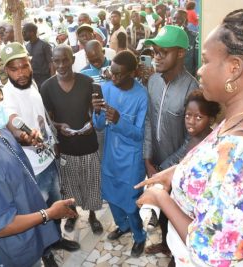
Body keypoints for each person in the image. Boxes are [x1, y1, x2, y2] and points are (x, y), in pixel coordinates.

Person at [136, 8, 243, 267]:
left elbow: (210, 253)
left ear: (234, 68)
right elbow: (215, 167)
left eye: (207, 61)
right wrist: (177, 171)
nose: (199, 70)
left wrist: (161, 198)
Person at [0, 77, 77, 267]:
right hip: (20, 250)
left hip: (33, 232)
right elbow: (0, 227)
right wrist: (49, 214)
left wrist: (25, 140)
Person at [0, 42, 80, 264]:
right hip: (32, 171)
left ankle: (56, 239)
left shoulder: (31, 84)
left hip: (48, 162)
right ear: (6, 70)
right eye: (14, 69)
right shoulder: (6, 97)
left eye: (24, 66)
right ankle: (46, 253)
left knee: (55, 207)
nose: (21, 73)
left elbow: (40, 117)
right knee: (39, 215)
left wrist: (53, 139)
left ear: (30, 63)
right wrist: (22, 136)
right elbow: (13, 124)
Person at [143, 25, 199, 257]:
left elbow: (193, 138)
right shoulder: (153, 81)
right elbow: (148, 119)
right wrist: (147, 158)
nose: (156, 56)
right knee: (163, 208)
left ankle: (177, 253)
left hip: (177, 167)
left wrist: (164, 168)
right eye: (154, 51)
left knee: (178, 208)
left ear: (181, 53)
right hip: (153, 161)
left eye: (163, 52)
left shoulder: (192, 88)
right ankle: (166, 245)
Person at [41, 45, 104, 235]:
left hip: (88, 144)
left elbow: (97, 112)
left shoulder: (88, 83)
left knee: (91, 183)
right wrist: (60, 127)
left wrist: (91, 123)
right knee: (68, 185)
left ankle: (93, 216)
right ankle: (72, 214)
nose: (61, 65)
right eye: (56, 61)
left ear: (73, 60)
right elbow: (47, 118)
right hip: (65, 146)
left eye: (65, 60)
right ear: (52, 62)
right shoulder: (47, 87)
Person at [92, 50, 148, 257]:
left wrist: (118, 120)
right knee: (113, 198)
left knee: (130, 202)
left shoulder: (142, 96)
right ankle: (122, 226)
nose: (113, 78)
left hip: (131, 160)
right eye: (111, 72)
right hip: (110, 155)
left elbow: (139, 134)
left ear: (132, 73)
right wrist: (96, 112)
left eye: (119, 74)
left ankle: (139, 235)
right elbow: (98, 126)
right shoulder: (106, 88)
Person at [22, 23, 55, 88]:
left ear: (32, 32)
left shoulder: (44, 45)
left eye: (25, 32)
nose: (23, 34)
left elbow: (51, 63)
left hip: (45, 79)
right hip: (33, 80)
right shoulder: (26, 46)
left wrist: (53, 81)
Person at [173, 9, 199, 77]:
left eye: (179, 19)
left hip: (188, 77)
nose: (175, 21)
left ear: (186, 21)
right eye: (174, 18)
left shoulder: (194, 37)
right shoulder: (169, 37)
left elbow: (198, 63)